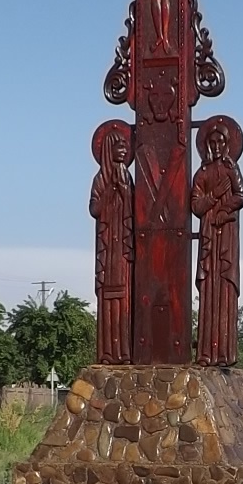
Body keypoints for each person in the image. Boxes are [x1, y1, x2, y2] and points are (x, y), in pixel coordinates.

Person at [191, 116, 243, 367]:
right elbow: (196, 205)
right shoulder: (202, 173)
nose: (215, 147)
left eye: (220, 143)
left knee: (224, 288)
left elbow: (241, 197)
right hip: (209, 235)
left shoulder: (231, 168)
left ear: (226, 145)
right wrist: (214, 196)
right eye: (211, 143)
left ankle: (225, 353)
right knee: (209, 289)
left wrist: (225, 211)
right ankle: (205, 353)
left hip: (226, 236)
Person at [89, 119, 134, 363]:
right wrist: (110, 189)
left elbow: (133, 210)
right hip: (108, 247)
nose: (125, 150)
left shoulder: (127, 177)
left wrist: (124, 189)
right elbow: (94, 209)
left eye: (127, 147)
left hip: (122, 249)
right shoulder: (100, 180)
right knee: (107, 298)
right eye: (120, 147)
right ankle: (107, 351)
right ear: (108, 150)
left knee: (124, 296)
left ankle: (124, 351)